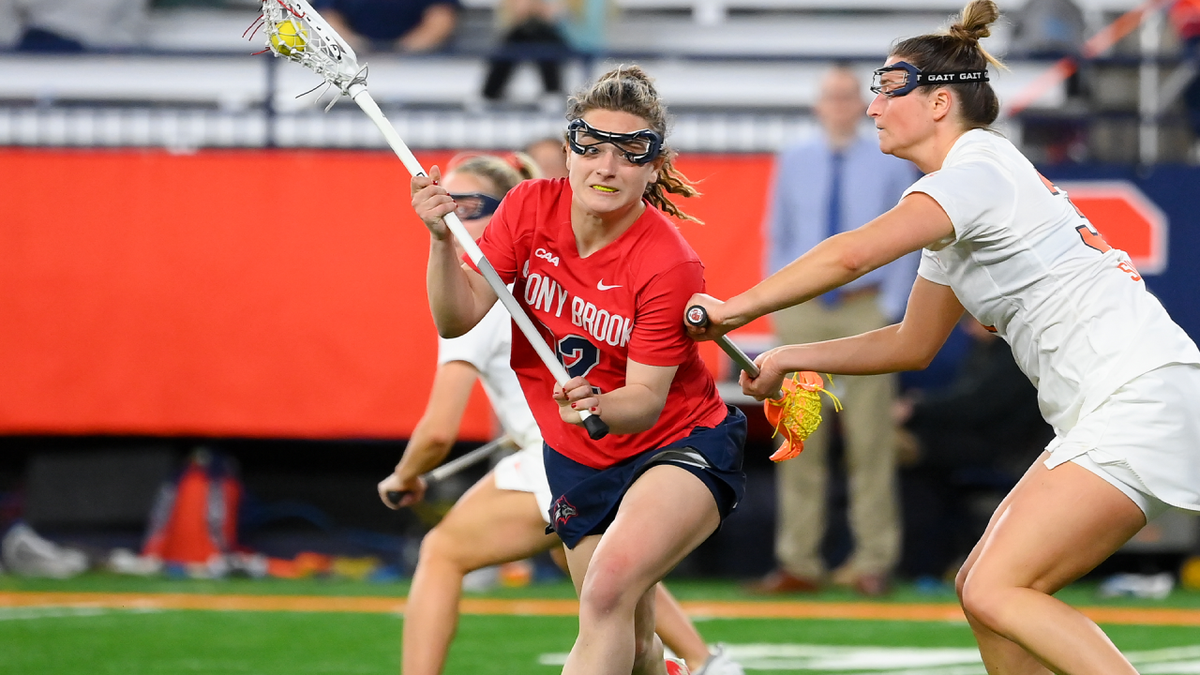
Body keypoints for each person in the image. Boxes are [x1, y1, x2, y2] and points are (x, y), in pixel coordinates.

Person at [686, 1, 1200, 672]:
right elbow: (910, 343)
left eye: (889, 87)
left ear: (938, 104)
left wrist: (734, 308)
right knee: (981, 589)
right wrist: (786, 355)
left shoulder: (977, 173)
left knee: (997, 586)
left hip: (1137, 396)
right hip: (1123, 400)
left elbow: (852, 256)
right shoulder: (962, 199)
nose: (873, 107)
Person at [411, 65, 747, 675]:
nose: (606, 168)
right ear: (568, 152)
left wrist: (598, 403)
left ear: (653, 166)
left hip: (675, 444)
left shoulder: (669, 262)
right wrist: (439, 241)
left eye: (628, 154)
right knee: (637, 641)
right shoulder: (527, 206)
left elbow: (645, 398)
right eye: (590, 149)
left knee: (604, 591)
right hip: (578, 455)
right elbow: (458, 316)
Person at [748, 64, 919, 597]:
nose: (841, 105)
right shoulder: (794, 158)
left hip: (864, 306)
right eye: (832, 96)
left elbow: (910, 233)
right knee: (799, 434)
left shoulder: (889, 158)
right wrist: (782, 304)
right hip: (804, 308)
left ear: (861, 103)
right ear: (819, 104)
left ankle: (873, 559)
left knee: (870, 438)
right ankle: (799, 559)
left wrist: (891, 305)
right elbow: (778, 233)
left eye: (849, 95)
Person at [894, 318, 1050, 580]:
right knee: (918, 468)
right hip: (979, 442)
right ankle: (926, 559)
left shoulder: (1013, 356)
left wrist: (917, 408)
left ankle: (922, 561)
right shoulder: (984, 352)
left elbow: (978, 405)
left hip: (1002, 450)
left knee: (909, 453)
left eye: (973, 321)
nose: (968, 329)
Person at [480, 0, 569, 105]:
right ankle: (491, 93)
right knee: (518, 38)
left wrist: (535, 9)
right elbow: (517, 14)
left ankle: (491, 93)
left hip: (554, 34)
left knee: (541, 36)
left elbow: (553, 14)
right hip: (520, 32)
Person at [314, 0, 459, 54]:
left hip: (421, 63)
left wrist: (399, 52)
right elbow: (327, 18)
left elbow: (441, 19)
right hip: (350, 62)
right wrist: (361, 50)